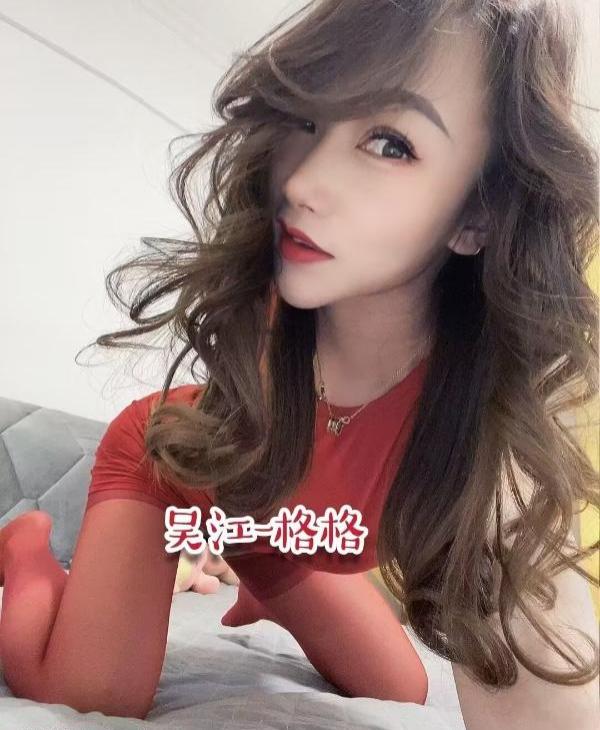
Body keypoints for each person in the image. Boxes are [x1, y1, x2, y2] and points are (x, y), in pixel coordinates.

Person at [1, 0, 598, 724]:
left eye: (389, 143)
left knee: (400, 687)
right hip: (175, 472)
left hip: (269, 525)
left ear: (479, 216)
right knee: (88, 697)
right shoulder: (271, 318)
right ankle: (26, 551)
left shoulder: (494, 423)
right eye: (306, 122)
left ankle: (259, 570)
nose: (303, 183)